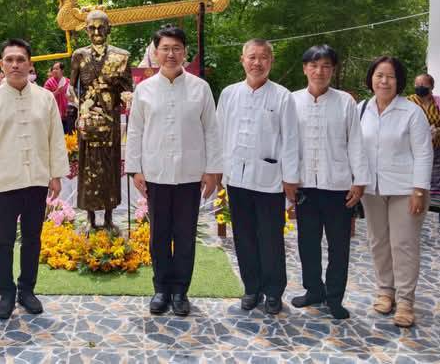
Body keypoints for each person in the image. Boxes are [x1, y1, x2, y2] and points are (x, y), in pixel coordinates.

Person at [125, 26, 223, 317]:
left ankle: (180, 291)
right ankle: (161, 290)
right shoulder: (144, 89)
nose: (171, 54)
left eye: (176, 48)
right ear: (155, 53)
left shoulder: (200, 88)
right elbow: (135, 130)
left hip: (190, 174)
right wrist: (135, 169)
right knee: (158, 235)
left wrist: (212, 170)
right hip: (155, 174)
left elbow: (211, 130)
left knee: (184, 235)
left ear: (185, 53)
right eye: (165, 48)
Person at [0, 39, 69, 320]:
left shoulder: (45, 98)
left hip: (36, 180)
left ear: (29, 64)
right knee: (3, 241)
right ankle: (5, 293)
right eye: (9, 60)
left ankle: (27, 290)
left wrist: (55, 175)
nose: (15, 65)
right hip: (3, 182)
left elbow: (55, 138)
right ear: (1, 64)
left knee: (32, 239)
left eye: (20, 59)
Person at [216, 39, 299, 315]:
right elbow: (218, 133)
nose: (257, 63)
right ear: (243, 60)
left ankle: (273, 291)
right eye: (252, 57)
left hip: (270, 180)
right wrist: (217, 171)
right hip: (236, 179)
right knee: (243, 236)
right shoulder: (229, 94)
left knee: (271, 238)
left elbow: (290, 140)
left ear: (270, 62)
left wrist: (290, 179)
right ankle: (251, 288)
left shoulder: (282, 96)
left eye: (263, 57)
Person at [291, 45, 370, 319]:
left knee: (339, 246)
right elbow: (287, 144)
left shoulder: (345, 102)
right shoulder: (292, 100)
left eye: (326, 66)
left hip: (338, 186)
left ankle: (335, 297)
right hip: (305, 186)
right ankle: (313, 290)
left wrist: (359, 181)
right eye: (314, 65)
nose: (319, 71)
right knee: (307, 243)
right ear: (305, 68)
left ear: (333, 70)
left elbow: (356, 143)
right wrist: (288, 179)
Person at [359, 56, 433, 327]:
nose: (384, 81)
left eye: (390, 76)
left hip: (406, 189)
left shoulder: (412, 112)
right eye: (379, 75)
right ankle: (385, 292)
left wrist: (419, 191)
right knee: (378, 241)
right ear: (371, 78)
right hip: (371, 188)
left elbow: (424, 153)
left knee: (403, 244)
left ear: (399, 81)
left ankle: (405, 301)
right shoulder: (361, 109)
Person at [69, 10, 133, 230]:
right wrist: (81, 105)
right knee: (87, 167)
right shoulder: (79, 55)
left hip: (110, 119)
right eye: (92, 28)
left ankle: (108, 217)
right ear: (86, 30)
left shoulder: (121, 56)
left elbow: (127, 88)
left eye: (101, 28)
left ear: (109, 29)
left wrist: (127, 98)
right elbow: (71, 88)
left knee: (109, 167)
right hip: (88, 120)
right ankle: (89, 217)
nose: (96, 32)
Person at [407, 73, 440, 223]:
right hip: (415, 148)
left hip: (437, 146)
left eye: (423, 85)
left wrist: (439, 130)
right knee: (413, 177)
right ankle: (412, 208)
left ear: (432, 87)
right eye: (417, 85)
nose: (419, 87)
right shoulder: (409, 102)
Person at [44, 61, 72, 133]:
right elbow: (45, 97)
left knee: (69, 135)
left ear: (62, 71)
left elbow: (72, 97)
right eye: (53, 69)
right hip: (55, 116)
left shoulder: (68, 82)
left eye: (56, 69)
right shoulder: (49, 83)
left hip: (68, 114)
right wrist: (57, 92)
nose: (54, 71)